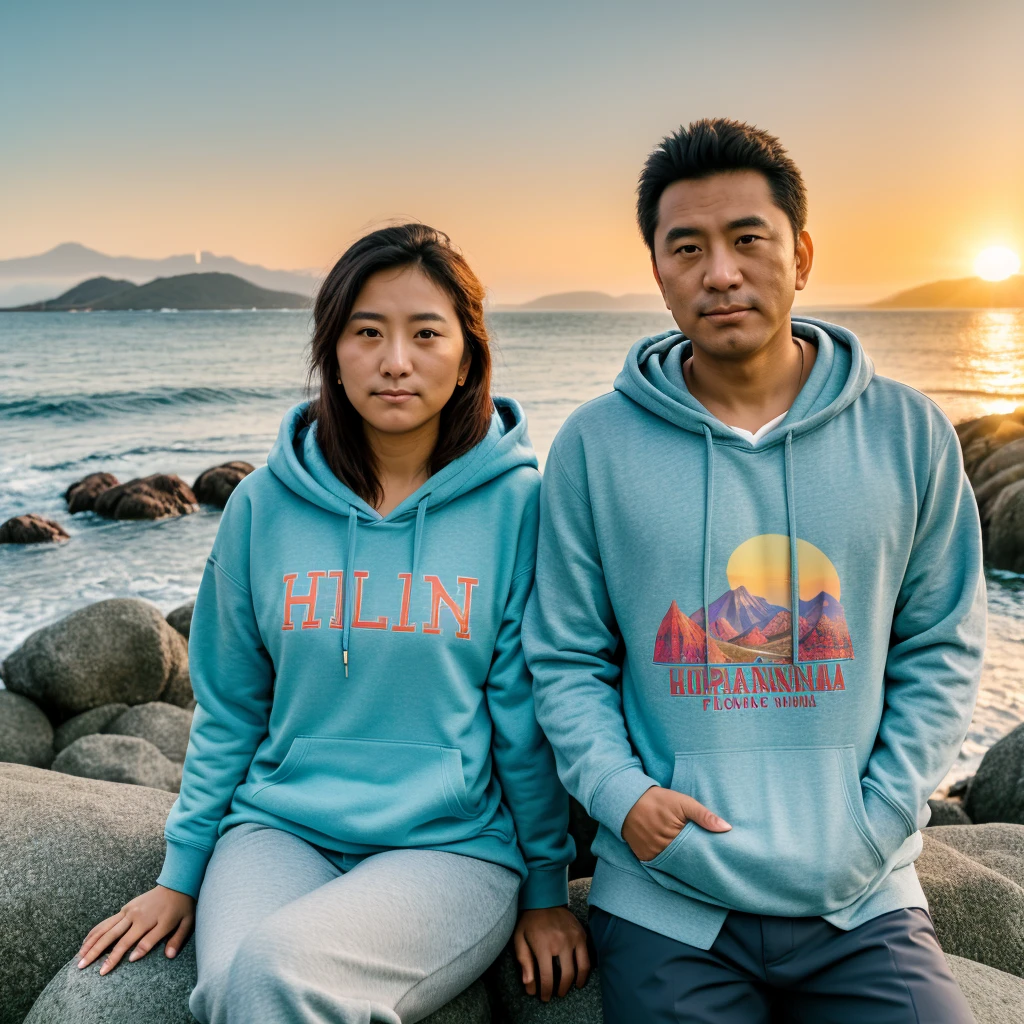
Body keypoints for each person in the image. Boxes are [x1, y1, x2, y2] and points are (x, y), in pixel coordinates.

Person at [523, 119, 986, 1023]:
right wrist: (626, 801)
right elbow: (567, 657)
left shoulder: (907, 433)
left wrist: (881, 814)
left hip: (861, 892)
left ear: (801, 253)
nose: (720, 272)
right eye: (686, 247)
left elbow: (942, 645)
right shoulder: (594, 447)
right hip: (669, 898)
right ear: (657, 270)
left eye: (748, 240)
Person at [76, 223, 588, 1022]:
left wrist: (548, 890)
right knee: (231, 986)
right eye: (367, 332)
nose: (395, 360)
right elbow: (231, 708)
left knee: (274, 975)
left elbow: (523, 714)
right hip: (281, 830)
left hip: (448, 847)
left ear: (467, 358)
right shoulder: (261, 508)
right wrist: (179, 877)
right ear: (332, 351)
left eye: (426, 333)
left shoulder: (518, 508)